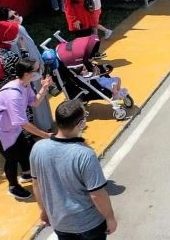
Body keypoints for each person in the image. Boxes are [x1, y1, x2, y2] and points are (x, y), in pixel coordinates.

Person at [30, 99, 117, 239]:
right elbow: (97, 195)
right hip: (89, 225)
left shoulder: (38, 148)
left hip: (60, 224)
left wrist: (44, 211)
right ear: (81, 123)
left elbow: (37, 184)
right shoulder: (85, 154)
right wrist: (110, 218)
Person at [0, 58, 53, 200]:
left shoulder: (25, 85)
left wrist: (44, 87)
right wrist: (46, 135)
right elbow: (23, 123)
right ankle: (13, 187)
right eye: (37, 70)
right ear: (27, 74)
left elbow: (34, 102)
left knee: (24, 148)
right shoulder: (13, 94)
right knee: (11, 158)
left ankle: (27, 174)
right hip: (0, 130)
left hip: (11, 127)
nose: (40, 72)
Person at [0, 8, 53, 131]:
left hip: (26, 72)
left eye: (16, 13)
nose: (16, 17)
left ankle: (41, 127)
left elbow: (32, 48)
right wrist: (38, 65)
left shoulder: (6, 36)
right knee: (37, 100)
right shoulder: (18, 30)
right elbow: (29, 52)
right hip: (30, 71)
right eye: (12, 17)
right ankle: (44, 127)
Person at [0, 20, 21, 93]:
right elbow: (23, 77)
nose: (18, 36)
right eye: (15, 34)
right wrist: (25, 52)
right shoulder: (10, 57)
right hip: (10, 94)